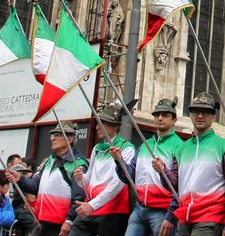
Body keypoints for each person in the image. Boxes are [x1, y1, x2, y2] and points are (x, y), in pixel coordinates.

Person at [158, 92, 225, 236]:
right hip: (184, 219)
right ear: (190, 115)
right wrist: (162, 171)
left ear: (213, 116)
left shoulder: (223, 147)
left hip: (210, 218)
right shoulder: (181, 149)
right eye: (196, 112)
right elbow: (174, 186)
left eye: (205, 112)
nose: (200, 116)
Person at [66, 104, 137, 235]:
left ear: (115, 126)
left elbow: (118, 184)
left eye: (102, 123)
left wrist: (92, 205)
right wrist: (80, 178)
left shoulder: (127, 148)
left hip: (112, 211)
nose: (97, 127)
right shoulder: (97, 148)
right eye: (98, 123)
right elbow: (88, 182)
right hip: (91, 207)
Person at [17, 121, 85, 236]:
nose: (52, 139)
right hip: (40, 224)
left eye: (57, 135)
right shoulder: (49, 161)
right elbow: (35, 186)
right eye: (53, 135)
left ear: (69, 139)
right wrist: (20, 179)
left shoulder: (77, 164)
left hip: (60, 227)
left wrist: (69, 221)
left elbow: (79, 197)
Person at [129, 97, 184, 236]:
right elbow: (129, 174)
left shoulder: (179, 146)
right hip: (140, 208)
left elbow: (180, 184)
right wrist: (118, 161)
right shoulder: (145, 144)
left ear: (174, 120)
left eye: (165, 115)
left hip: (163, 211)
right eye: (157, 115)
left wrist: (171, 215)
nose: (160, 118)